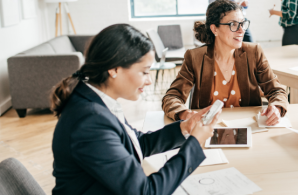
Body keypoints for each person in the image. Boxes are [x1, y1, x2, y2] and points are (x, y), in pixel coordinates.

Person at [50, 24, 220, 195]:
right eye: (145, 72)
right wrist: (195, 143)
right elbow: (145, 192)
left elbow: (135, 144)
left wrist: (185, 128)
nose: (149, 81)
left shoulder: (98, 101)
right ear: (114, 69)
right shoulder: (90, 121)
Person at [162, 0, 288, 126]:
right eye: (233, 24)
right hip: (208, 130)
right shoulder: (195, 58)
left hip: (248, 127)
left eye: (242, 23)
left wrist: (277, 107)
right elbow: (171, 97)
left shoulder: (254, 52)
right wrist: (186, 114)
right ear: (214, 29)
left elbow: (276, 90)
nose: (241, 30)